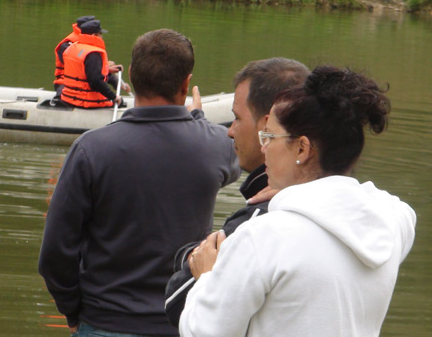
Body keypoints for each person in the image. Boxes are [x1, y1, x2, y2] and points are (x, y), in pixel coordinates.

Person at [179, 66, 417, 337]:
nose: (263, 147)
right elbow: (394, 205)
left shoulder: (262, 237)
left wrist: (207, 277)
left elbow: (202, 332)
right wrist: (300, 190)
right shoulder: (390, 223)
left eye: (269, 137)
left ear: (302, 149)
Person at [39, 28, 241, 337]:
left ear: (130, 75)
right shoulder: (216, 145)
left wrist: (72, 309)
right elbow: (235, 158)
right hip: (180, 321)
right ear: (186, 83)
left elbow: (55, 252)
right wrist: (197, 119)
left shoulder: (91, 148)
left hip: (103, 322)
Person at [164, 57, 310, 327]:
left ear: (267, 126)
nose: (230, 131)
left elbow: (176, 301)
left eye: (236, 118)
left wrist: (194, 259)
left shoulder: (261, 217)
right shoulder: (356, 213)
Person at [60, 19, 129, 108]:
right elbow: (95, 81)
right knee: (121, 104)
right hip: (85, 101)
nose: (102, 37)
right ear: (94, 35)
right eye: (100, 34)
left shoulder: (73, 47)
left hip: (69, 98)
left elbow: (83, 71)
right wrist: (114, 97)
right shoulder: (93, 53)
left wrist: (107, 70)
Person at [53, 15, 95, 96]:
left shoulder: (90, 42)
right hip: (65, 82)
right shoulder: (66, 46)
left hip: (84, 82)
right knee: (62, 94)